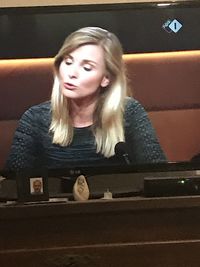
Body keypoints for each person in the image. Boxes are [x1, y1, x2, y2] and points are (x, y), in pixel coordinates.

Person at [5, 26, 166, 172]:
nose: (72, 73)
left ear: (106, 78)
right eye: (68, 62)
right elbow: (11, 188)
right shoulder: (34, 119)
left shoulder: (129, 112)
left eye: (87, 67)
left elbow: (160, 176)